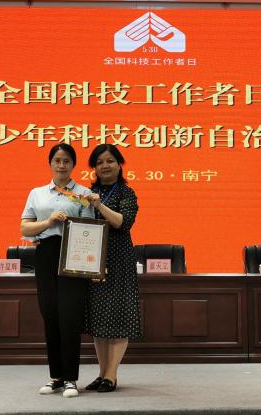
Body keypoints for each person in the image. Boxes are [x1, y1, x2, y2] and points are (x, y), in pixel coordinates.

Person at [20, 143, 94, 398]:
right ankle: (56, 377)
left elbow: (90, 229)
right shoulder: (37, 193)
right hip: (46, 254)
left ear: (73, 165)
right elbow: (25, 228)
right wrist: (49, 221)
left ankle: (71, 378)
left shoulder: (84, 194)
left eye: (66, 161)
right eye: (57, 160)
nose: (61, 165)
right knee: (50, 314)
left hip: (75, 255)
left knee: (70, 316)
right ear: (50, 163)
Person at [83, 144, 142, 393]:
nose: (104, 166)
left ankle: (112, 375)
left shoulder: (126, 193)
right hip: (92, 260)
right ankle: (101, 373)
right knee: (99, 319)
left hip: (119, 261)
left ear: (119, 164)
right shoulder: (87, 193)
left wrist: (99, 206)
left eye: (109, 161)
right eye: (99, 162)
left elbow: (122, 223)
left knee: (118, 317)